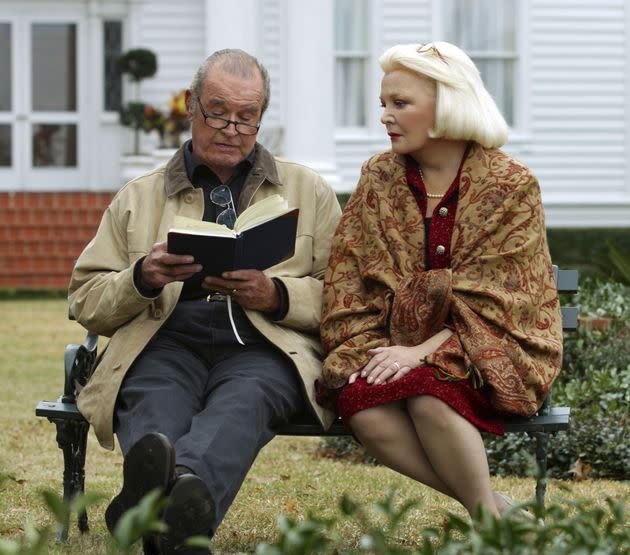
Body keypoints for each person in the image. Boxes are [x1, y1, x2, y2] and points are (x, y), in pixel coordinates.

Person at [69, 48, 341, 554]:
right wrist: (142, 278)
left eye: (247, 117)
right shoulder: (139, 196)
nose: (232, 128)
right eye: (218, 111)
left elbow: (345, 296)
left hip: (264, 344)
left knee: (247, 401)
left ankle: (160, 502)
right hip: (165, 338)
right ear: (192, 106)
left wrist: (277, 293)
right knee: (153, 397)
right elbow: (85, 298)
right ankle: (181, 509)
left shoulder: (310, 190)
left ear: (261, 118)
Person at [318, 42, 563, 520]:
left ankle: (486, 521)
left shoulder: (511, 184)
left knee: (430, 396)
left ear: (447, 105)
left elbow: (506, 299)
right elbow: (350, 274)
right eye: (383, 104)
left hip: (493, 346)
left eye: (400, 104)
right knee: (363, 407)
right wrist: (388, 346)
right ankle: (492, 511)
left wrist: (418, 352)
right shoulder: (378, 176)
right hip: (391, 341)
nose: (385, 116)